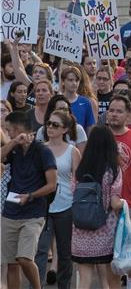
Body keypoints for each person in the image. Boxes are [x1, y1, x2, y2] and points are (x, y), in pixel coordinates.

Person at [2, 111, 57, 289]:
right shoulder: (14, 148)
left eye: (9, 129)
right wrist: (13, 142)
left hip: (33, 213)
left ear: (17, 128)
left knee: (24, 258)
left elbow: (52, 185)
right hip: (10, 212)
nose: (7, 132)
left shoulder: (43, 151)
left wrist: (31, 196)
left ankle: (37, 287)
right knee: (11, 263)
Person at [70, 125, 125, 289]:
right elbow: (115, 203)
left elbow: (73, 192)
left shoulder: (81, 169)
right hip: (104, 229)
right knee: (109, 279)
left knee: (84, 279)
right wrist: (127, 205)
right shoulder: (112, 169)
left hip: (80, 229)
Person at [34, 109, 80, 289]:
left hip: (66, 205)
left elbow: (77, 180)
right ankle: (35, 286)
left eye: (55, 124)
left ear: (65, 129)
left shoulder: (72, 151)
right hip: (41, 206)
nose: (50, 127)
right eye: (48, 123)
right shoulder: (39, 148)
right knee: (40, 251)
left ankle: (64, 286)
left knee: (65, 252)